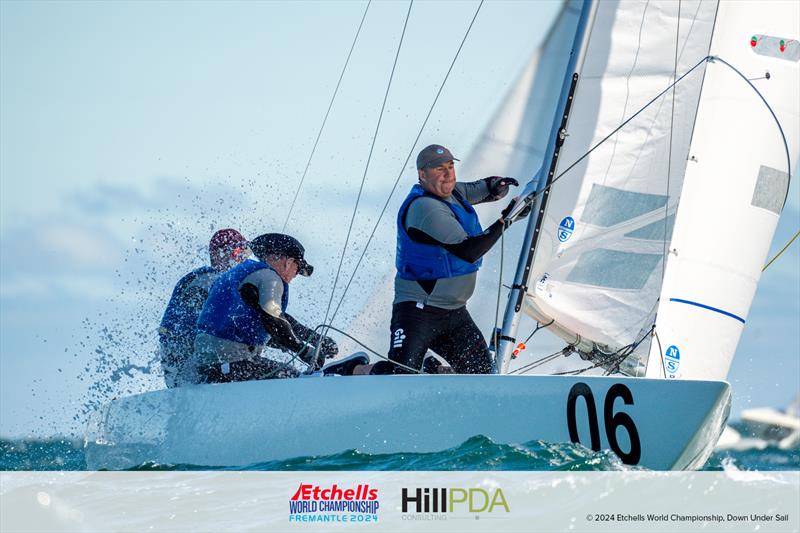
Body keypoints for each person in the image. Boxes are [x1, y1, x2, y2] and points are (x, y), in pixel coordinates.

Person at [372, 144, 530, 375]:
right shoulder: (424, 208)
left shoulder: (452, 191)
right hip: (418, 311)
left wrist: (496, 185)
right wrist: (506, 220)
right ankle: (352, 369)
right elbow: (469, 251)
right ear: (422, 175)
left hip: (454, 312)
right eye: (439, 169)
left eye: (450, 167)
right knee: (401, 376)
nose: (448, 175)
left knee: (482, 374)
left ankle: (435, 371)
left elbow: (480, 188)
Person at [189, 233, 358, 385]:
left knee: (281, 371)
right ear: (289, 262)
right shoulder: (271, 278)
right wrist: (304, 351)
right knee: (294, 378)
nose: (294, 276)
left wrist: (315, 340)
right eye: (297, 269)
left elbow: (275, 321)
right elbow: (274, 320)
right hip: (229, 365)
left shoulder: (239, 273)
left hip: (205, 368)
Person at [158, 228, 249, 388]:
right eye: (236, 252)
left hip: (192, 366)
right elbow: (239, 322)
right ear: (216, 255)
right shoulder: (208, 281)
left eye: (245, 252)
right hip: (190, 372)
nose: (242, 258)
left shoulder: (211, 279)